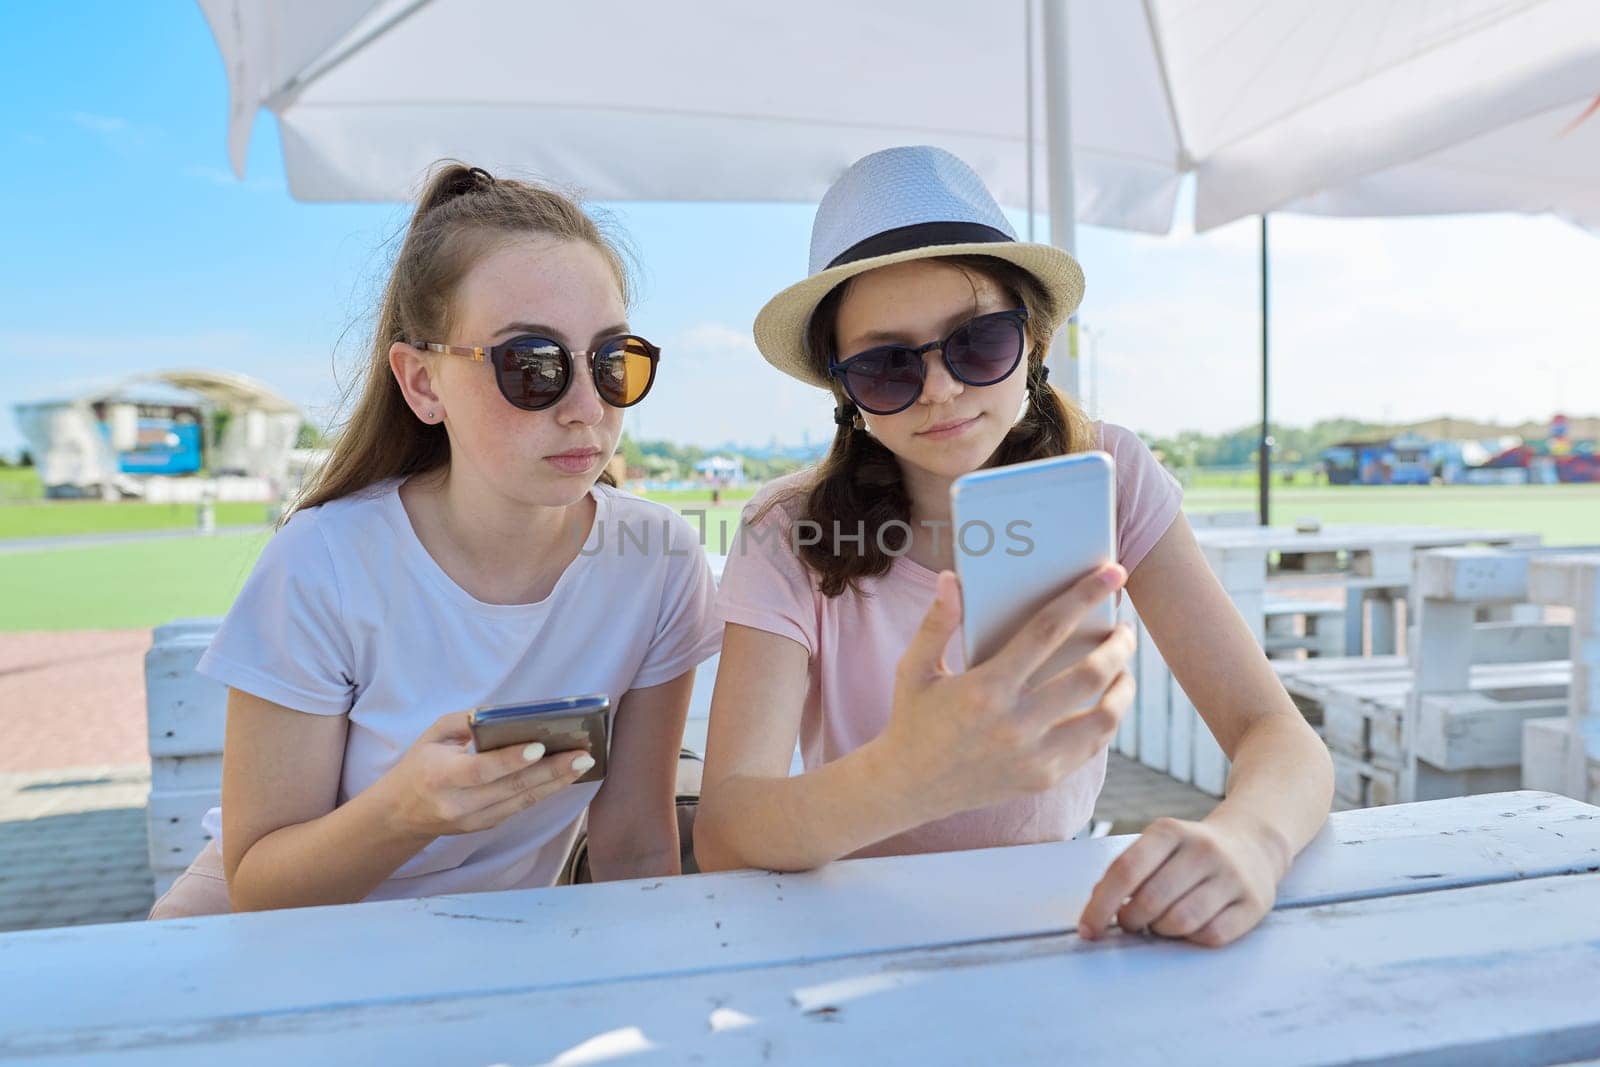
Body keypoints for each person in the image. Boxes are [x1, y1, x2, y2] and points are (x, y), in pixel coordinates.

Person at [695, 146, 1332, 948]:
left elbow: (1276, 733)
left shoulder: (1111, 474)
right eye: (887, 366)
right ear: (844, 392)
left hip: (1061, 916)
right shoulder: (785, 529)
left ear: (1032, 343)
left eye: (978, 343)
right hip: (848, 922)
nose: (941, 389)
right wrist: (906, 777)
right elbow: (725, 827)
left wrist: (1251, 840)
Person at [149, 163, 721, 917]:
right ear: (422, 383)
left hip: (478, 954)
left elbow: (636, 846)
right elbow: (256, 886)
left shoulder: (658, 558)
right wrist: (404, 812)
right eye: (533, 365)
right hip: (256, 947)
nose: (587, 406)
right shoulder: (325, 560)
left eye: (612, 362)